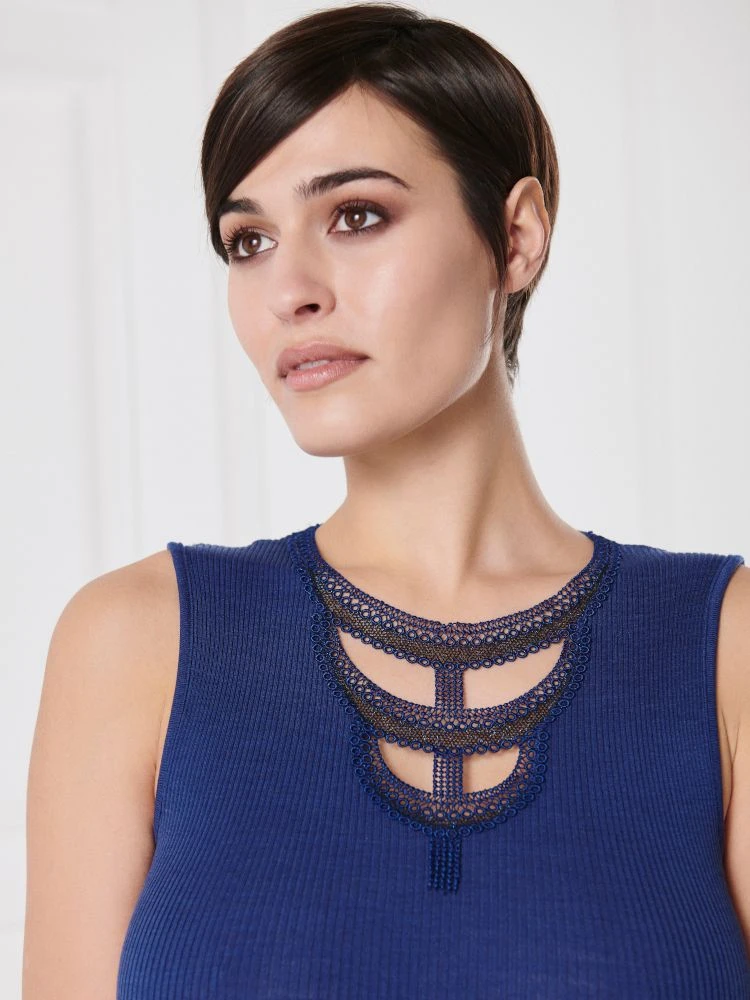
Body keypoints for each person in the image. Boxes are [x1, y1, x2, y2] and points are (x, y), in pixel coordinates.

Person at [23, 4, 750, 998]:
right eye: (248, 240)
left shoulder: (723, 649)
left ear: (516, 236)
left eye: (356, 216)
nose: (289, 289)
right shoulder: (135, 642)